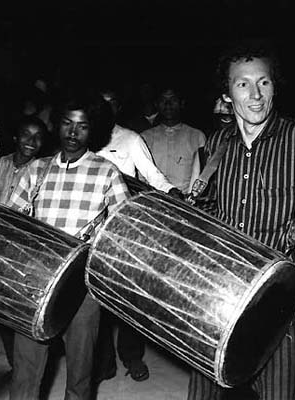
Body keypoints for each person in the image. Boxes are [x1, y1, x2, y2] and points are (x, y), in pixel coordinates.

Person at [187, 41, 295, 400]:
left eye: (264, 82)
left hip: (280, 310)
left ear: (275, 86)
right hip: (220, 301)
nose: (255, 95)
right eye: (243, 84)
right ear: (227, 94)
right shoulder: (216, 145)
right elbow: (210, 213)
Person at [6, 90, 130, 400]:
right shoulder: (37, 169)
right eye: (67, 123)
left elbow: (123, 232)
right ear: (57, 125)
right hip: (37, 281)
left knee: (80, 371)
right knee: (25, 369)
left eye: (82, 126)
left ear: (93, 129)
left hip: (82, 285)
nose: (73, 133)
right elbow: (10, 222)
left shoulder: (107, 172)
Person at [93, 87, 182, 384]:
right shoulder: (84, 136)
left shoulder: (131, 139)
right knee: (95, 298)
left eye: (112, 104)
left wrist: (172, 191)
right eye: (101, 104)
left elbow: (151, 174)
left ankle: (132, 357)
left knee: (128, 295)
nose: (106, 110)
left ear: (118, 108)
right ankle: (103, 362)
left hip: (124, 228)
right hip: (89, 231)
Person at [0, 115, 47, 369]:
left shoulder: (43, 170)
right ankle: (14, 364)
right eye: (26, 134)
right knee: (0, 307)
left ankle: (26, 366)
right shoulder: (1, 163)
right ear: (15, 137)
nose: (31, 141)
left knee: (22, 308)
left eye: (38, 137)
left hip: (24, 248)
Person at [141, 85, 206, 194]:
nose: (168, 104)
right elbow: (141, 176)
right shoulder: (144, 137)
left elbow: (202, 176)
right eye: (163, 100)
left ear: (182, 103)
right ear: (156, 104)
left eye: (173, 100)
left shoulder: (197, 136)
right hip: (153, 198)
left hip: (186, 199)